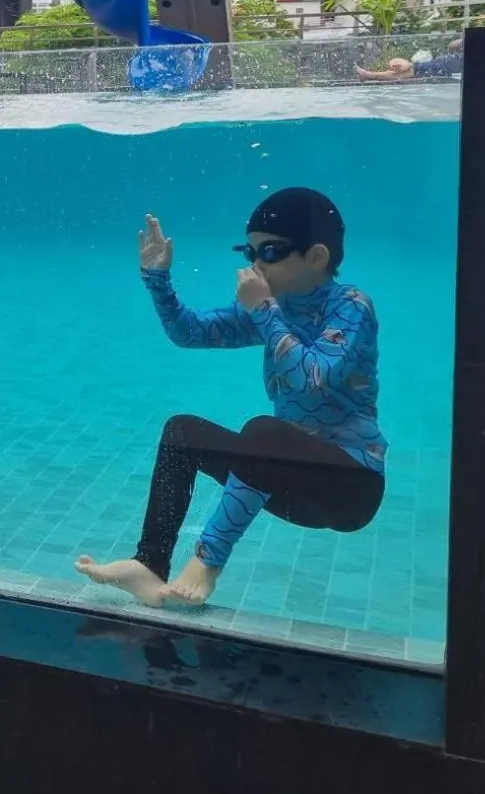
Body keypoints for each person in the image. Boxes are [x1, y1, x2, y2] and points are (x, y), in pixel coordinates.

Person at [75, 188, 386, 608]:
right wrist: (157, 279)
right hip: (287, 483)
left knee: (264, 430)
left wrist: (264, 312)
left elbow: (313, 378)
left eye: (270, 252)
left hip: (349, 488)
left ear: (316, 257)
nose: (256, 265)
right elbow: (189, 333)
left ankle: (207, 561)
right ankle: (149, 564)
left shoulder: (351, 307)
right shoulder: (272, 306)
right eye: (250, 253)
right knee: (181, 433)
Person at [354, 37, 463, 82]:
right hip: (448, 66)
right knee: (415, 70)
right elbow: (453, 46)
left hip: (449, 67)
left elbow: (453, 47)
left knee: (412, 71)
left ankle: (369, 75)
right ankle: (370, 75)